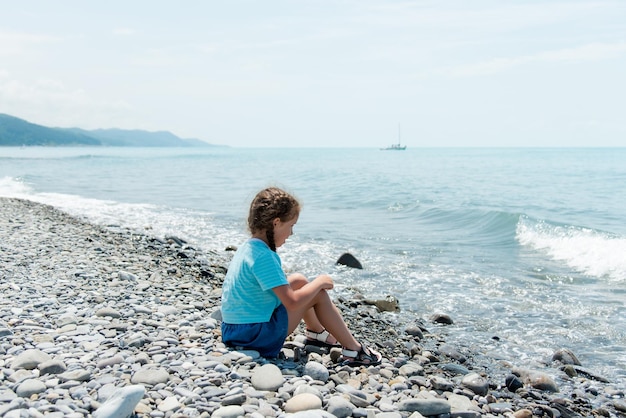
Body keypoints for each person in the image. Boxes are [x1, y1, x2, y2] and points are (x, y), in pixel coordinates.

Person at [220, 187, 382, 366]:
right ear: (276, 223)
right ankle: (354, 350)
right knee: (316, 294)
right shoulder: (264, 257)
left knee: (299, 281)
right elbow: (293, 303)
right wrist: (319, 282)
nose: (291, 233)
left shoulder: (248, 248)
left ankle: (317, 333)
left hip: (234, 331)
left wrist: (309, 286)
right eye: (291, 226)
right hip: (255, 337)